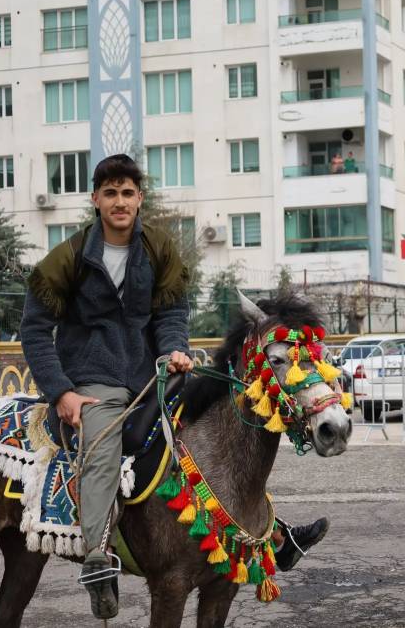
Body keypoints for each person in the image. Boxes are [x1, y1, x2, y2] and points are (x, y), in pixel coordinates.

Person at [21, 154, 329, 620]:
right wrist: (61, 392)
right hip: (93, 380)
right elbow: (34, 330)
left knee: (226, 425)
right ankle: (98, 557)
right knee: (105, 443)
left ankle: (274, 535)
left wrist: (175, 350)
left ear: (139, 198)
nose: (119, 201)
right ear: (96, 199)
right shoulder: (67, 257)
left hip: (152, 374)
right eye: (110, 193)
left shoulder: (161, 249)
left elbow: (170, 316)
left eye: (128, 192)